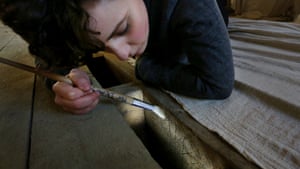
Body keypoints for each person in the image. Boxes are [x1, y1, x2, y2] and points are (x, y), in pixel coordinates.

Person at [0, 0, 234, 114]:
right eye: (96, 46)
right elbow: (50, 56)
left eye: (123, 28)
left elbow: (217, 84)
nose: (122, 55)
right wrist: (59, 80)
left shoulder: (190, 5)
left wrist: (144, 69)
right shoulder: (82, 13)